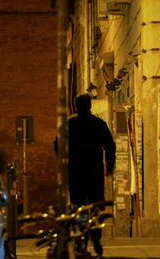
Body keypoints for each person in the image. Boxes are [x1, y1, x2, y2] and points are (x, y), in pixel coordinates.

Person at [55, 93, 116, 259]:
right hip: (94, 171)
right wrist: (110, 165)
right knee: (96, 206)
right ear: (90, 106)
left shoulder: (69, 124)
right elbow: (110, 145)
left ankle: (81, 239)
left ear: (75, 106)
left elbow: (58, 143)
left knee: (78, 207)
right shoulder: (98, 124)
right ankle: (96, 236)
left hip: (76, 171)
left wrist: (63, 163)